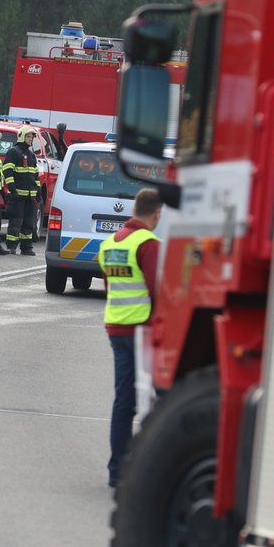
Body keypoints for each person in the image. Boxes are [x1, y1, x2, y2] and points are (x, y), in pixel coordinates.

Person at [98, 187, 163, 488]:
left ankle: (117, 470)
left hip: (117, 327)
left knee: (124, 401)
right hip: (143, 330)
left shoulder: (111, 242)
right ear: (156, 213)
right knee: (155, 400)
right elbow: (157, 290)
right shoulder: (148, 243)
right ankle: (151, 471)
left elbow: (110, 286)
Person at [2, 124, 41, 256]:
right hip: (17, 195)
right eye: (28, 136)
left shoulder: (31, 154)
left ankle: (26, 247)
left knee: (29, 223)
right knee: (16, 222)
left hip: (30, 196)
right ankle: (11, 246)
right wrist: (12, 189)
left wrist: (38, 190)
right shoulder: (14, 152)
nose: (30, 139)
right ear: (22, 137)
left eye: (31, 137)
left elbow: (35, 174)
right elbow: (7, 171)